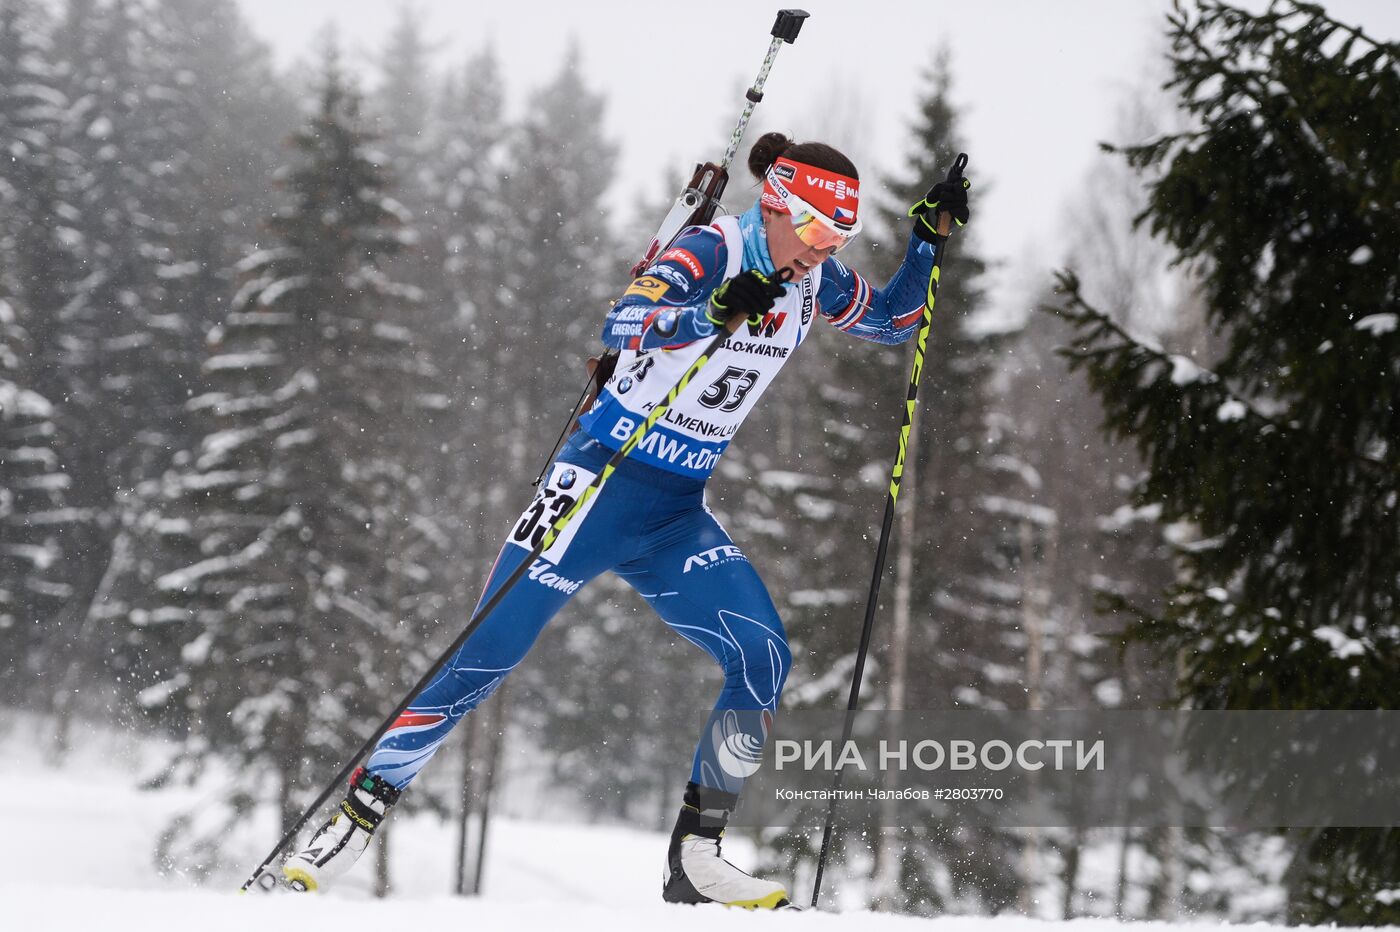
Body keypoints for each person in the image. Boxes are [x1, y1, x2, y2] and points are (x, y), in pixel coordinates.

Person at [282, 132, 970, 907]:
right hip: (595, 483)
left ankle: (696, 856)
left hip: (675, 513)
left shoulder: (815, 280)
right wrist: (705, 312)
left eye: (837, 238)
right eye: (814, 231)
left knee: (763, 655)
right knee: (487, 652)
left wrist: (924, 241)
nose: (822, 251)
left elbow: (894, 321)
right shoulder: (713, 248)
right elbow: (623, 321)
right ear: (776, 206)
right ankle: (356, 814)